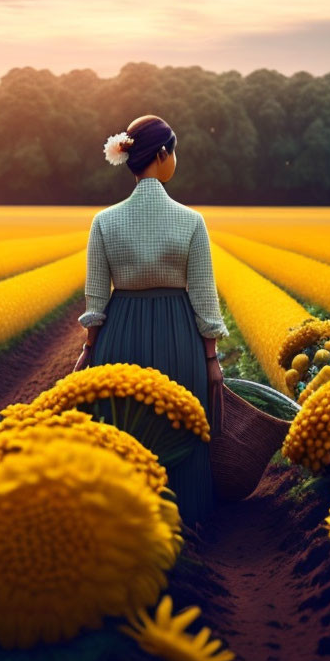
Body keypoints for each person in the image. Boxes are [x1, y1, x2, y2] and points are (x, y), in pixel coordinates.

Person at [74, 114, 229, 527]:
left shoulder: (104, 222)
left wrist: (89, 351)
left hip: (119, 339)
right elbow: (204, 297)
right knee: (182, 426)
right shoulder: (191, 221)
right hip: (180, 338)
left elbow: (95, 299)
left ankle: (123, 521)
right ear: (162, 155)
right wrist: (211, 359)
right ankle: (185, 521)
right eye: (173, 152)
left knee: (124, 428)